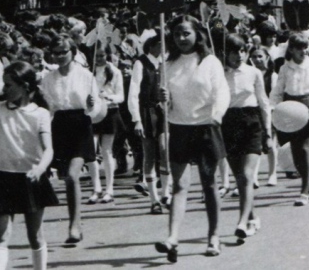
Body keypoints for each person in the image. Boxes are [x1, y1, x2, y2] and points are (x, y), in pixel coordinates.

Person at [156, 15, 229, 261]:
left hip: (206, 127)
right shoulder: (168, 64)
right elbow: (166, 105)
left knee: (209, 185)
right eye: (177, 34)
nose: (181, 38)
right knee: (179, 185)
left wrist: (217, 115)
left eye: (186, 33)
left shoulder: (209, 62)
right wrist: (163, 100)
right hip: (180, 128)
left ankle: (214, 236)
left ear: (197, 34)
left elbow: (221, 92)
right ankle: (172, 238)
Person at [0, 60, 57, 270]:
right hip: (2, 177)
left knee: (34, 235)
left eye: (9, 85)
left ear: (25, 87)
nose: (4, 89)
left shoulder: (40, 114)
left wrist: (40, 169)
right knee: (1, 234)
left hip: (31, 178)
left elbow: (48, 149)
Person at [39, 34, 100, 244]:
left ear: (72, 52)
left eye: (63, 52)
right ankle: (76, 223)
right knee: (67, 177)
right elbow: (48, 109)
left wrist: (91, 105)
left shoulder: (85, 75)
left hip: (81, 125)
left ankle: (74, 225)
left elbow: (96, 110)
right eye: (55, 53)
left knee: (73, 175)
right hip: (60, 127)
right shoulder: (48, 79)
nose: (59, 56)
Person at [269, 32, 309, 205]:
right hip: (289, 110)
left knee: (305, 150)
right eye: (299, 48)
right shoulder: (285, 68)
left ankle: (304, 191)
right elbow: (277, 91)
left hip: (307, 109)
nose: (303, 51)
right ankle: (308, 186)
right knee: (295, 154)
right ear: (291, 49)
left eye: (305, 47)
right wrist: (273, 106)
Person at [221, 33, 270, 241]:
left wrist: (268, 132)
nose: (239, 55)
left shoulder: (253, 73)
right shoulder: (219, 73)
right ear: (226, 53)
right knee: (240, 178)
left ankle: (242, 222)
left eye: (242, 51)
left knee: (247, 176)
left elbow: (264, 102)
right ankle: (252, 217)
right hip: (228, 124)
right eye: (234, 51)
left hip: (251, 123)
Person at [127, 30, 171, 213]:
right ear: (151, 45)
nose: (164, 47)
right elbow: (133, 92)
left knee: (165, 149)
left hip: (163, 111)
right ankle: (154, 200)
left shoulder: (165, 63)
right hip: (146, 112)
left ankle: (166, 193)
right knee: (149, 154)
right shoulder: (140, 63)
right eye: (160, 43)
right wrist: (137, 119)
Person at [89, 46, 125, 205]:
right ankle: (96, 188)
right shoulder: (89, 72)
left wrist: (108, 97)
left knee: (106, 151)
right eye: (96, 56)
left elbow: (121, 96)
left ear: (107, 55)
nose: (98, 59)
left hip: (110, 112)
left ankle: (109, 189)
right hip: (94, 113)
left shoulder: (115, 71)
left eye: (102, 55)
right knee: (90, 151)